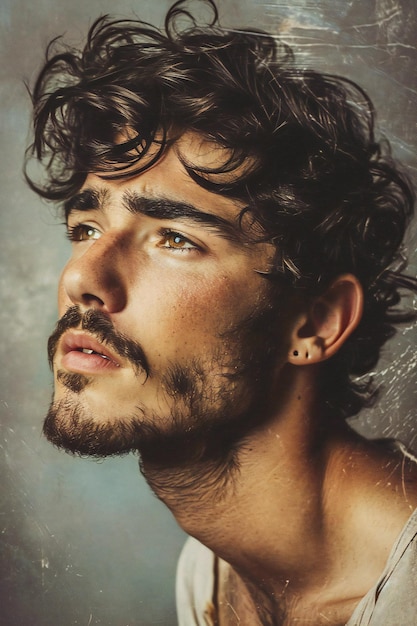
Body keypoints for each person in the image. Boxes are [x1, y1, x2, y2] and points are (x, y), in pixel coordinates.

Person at [26, 0, 417, 624]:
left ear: (315, 323)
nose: (81, 278)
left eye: (174, 239)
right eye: (85, 227)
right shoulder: (210, 575)